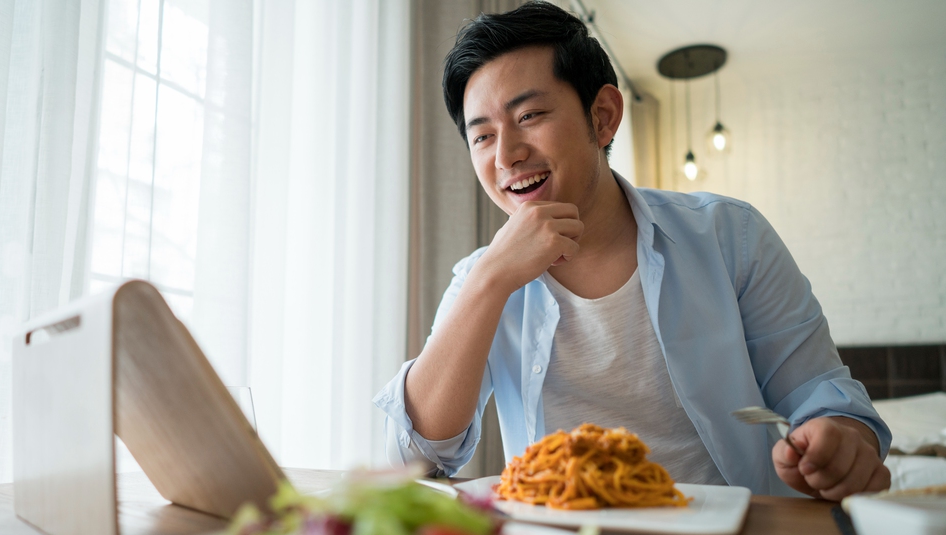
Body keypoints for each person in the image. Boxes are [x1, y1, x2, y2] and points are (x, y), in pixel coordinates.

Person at [373, 1, 890, 499]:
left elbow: (819, 395)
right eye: (482, 137)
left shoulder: (731, 236)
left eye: (529, 116)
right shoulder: (481, 278)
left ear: (602, 117)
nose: (506, 155)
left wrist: (841, 438)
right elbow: (415, 457)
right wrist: (489, 281)